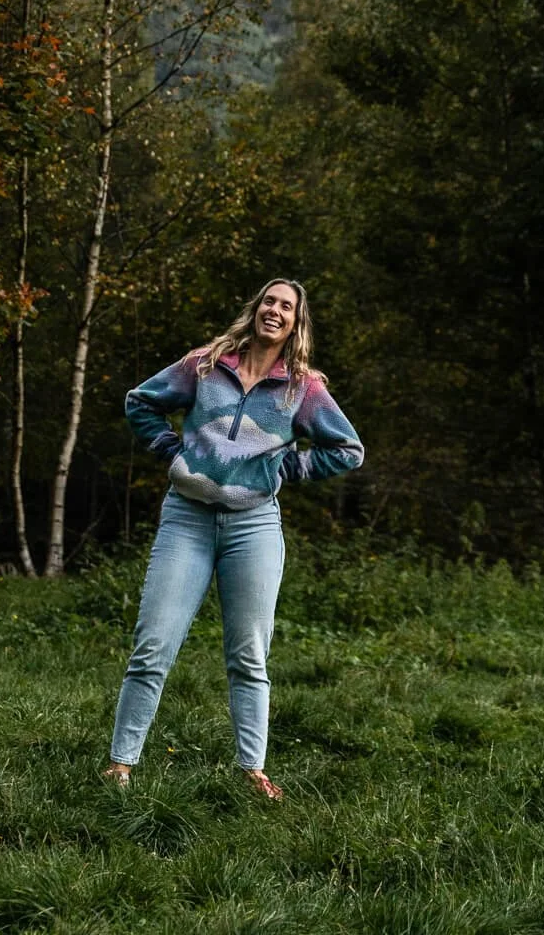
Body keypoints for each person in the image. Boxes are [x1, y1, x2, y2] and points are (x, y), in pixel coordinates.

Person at [105, 277, 363, 800]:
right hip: (187, 519)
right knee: (153, 645)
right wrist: (172, 452)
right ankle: (120, 764)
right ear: (256, 308)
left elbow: (348, 449)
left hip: (254, 526)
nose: (275, 310)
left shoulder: (302, 388)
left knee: (249, 654)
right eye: (269, 300)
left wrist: (285, 468)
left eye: (286, 306)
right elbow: (140, 402)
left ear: (296, 323)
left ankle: (251, 771)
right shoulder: (205, 363)